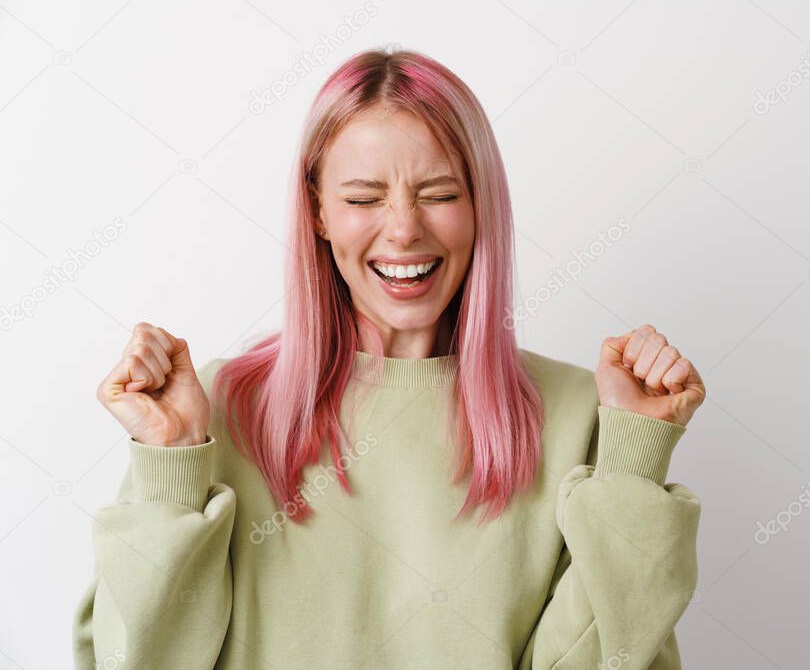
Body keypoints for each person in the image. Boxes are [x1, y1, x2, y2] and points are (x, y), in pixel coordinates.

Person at [72, 47, 705, 669]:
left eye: (439, 194)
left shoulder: (579, 414)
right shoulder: (216, 409)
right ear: (317, 210)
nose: (403, 230)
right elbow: (134, 660)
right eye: (363, 198)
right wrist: (170, 469)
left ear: (482, 206)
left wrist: (630, 462)